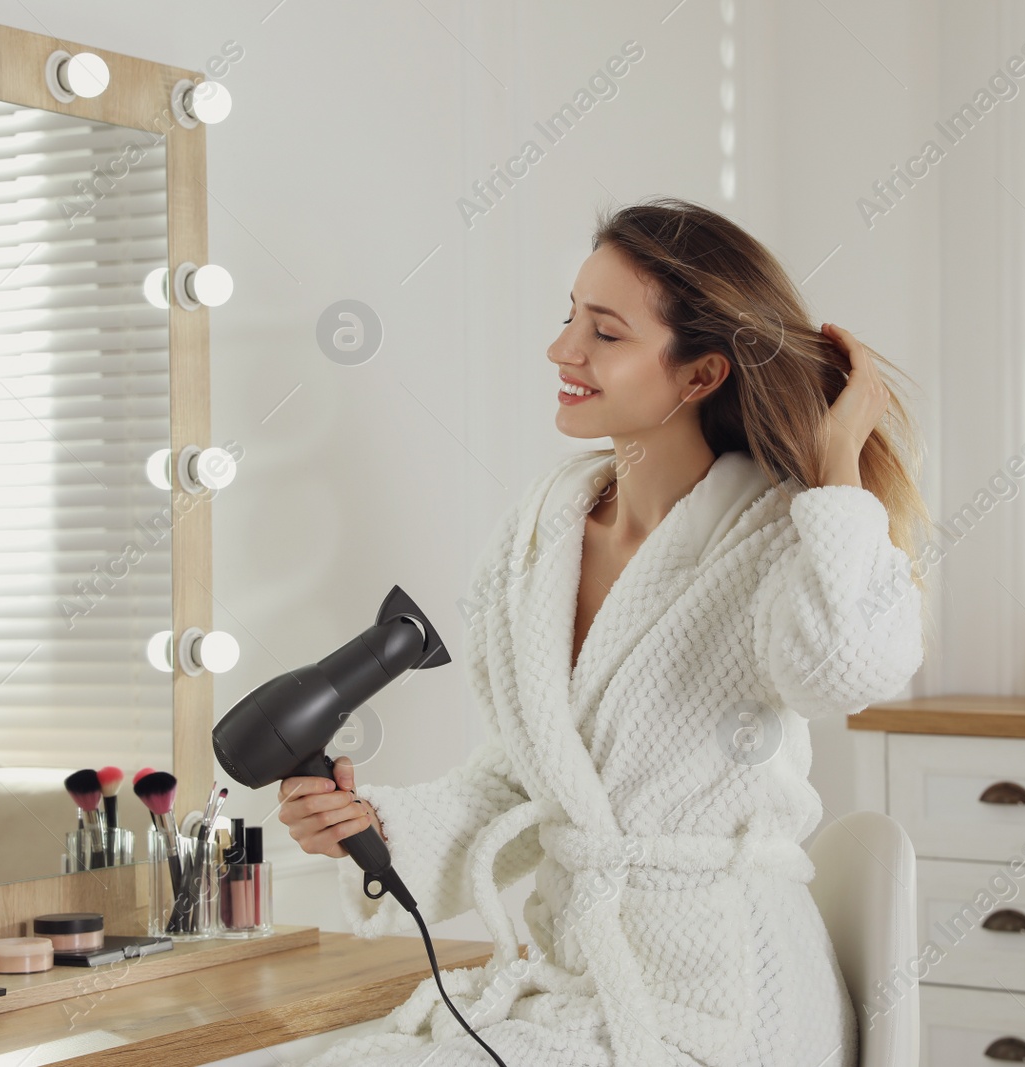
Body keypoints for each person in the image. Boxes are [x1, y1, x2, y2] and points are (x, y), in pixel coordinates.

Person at [277, 197, 929, 1067]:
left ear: (698, 376)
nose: (562, 351)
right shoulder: (540, 533)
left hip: (728, 1001)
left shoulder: (785, 533)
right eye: (567, 318)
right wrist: (370, 827)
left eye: (605, 333)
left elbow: (849, 668)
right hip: (580, 986)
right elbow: (533, 775)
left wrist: (838, 469)